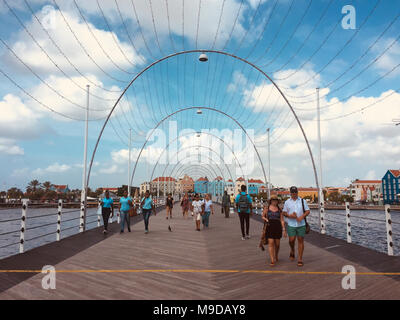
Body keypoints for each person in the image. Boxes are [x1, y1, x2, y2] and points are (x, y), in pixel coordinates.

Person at [282, 186, 310, 267]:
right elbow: (284, 213)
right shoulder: (287, 202)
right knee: (291, 240)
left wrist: (302, 216)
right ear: (290, 193)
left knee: (300, 240)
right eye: (292, 192)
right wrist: (289, 215)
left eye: (295, 192)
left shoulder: (302, 201)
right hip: (291, 224)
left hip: (301, 224)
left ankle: (300, 259)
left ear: (297, 192)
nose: (294, 194)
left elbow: (308, 211)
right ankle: (292, 250)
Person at [262, 195, 287, 266]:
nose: (274, 201)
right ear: (270, 201)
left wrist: (284, 229)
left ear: (277, 201)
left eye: (275, 200)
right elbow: (263, 216)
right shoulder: (267, 208)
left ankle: (276, 255)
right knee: (271, 243)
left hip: (277, 227)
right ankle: (272, 259)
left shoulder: (279, 209)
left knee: (277, 244)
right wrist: (266, 219)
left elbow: (282, 220)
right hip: (269, 226)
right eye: (273, 200)